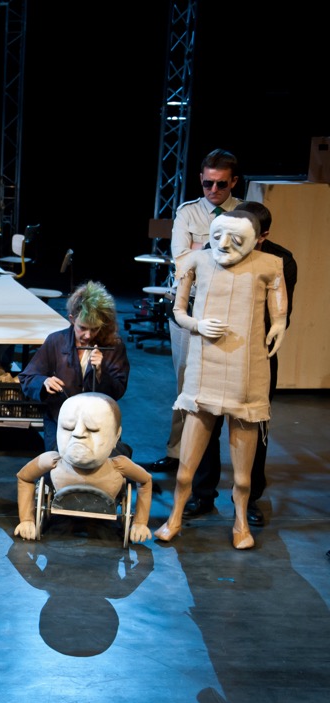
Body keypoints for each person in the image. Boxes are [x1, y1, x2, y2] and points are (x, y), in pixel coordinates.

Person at [154, 210, 287, 550]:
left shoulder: (270, 265)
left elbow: (279, 311)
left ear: (256, 239)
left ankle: (241, 521)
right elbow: (178, 310)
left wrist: (279, 325)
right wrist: (196, 324)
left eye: (236, 239)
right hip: (205, 364)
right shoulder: (196, 260)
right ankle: (175, 516)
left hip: (248, 367)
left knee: (243, 472)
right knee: (186, 466)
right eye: (217, 237)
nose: (224, 245)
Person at [184, 201, 297, 527]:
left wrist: (272, 332)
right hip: (213, 349)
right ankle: (202, 494)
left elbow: (281, 311)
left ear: (262, 236)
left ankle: (249, 499)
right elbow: (190, 300)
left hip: (255, 354)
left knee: (252, 425)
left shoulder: (279, 261)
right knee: (204, 421)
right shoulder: (211, 252)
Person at [142, 148, 243, 478]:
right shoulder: (188, 212)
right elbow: (182, 259)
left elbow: (248, 260)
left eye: (221, 184)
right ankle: (178, 452)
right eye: (207, 183)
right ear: (200, 180)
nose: (213, 190)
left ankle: (215, 459)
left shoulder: (246, 213)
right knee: (187, 384)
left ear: (234, 182)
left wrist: (202, 248)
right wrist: (224, 248)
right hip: (191, 305)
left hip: (230, 308)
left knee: (229, 388)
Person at [13, 392, 153, 544]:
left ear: (116, 435)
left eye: (93, 429)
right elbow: (24, 477)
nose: (78, 433)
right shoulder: (51, 459)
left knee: (122, 451)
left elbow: (145, 481)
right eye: (67, 427)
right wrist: (26, 520)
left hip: (112, 455)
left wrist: (140, 522)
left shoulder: (120, 464)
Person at [18, 281, 129, 453]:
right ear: (72, 319)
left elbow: (118, 390)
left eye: (94, 329)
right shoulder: (56, 341)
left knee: (105, 462)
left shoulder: (113, 346)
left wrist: (101, 373)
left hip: (97, 421)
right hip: (61, 419)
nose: (88, 335)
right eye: (82, 328)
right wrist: (44, 381)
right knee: (58, 462)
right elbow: (27, 377)